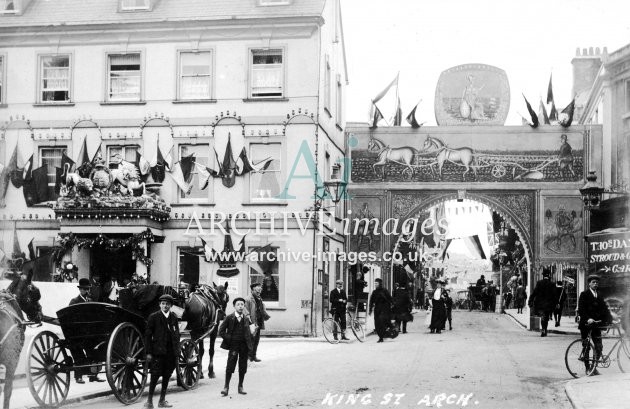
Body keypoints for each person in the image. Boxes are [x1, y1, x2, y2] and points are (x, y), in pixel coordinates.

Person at [144, 294, 180, 409]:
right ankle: (149, 401)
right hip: (158, 352)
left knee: (167, 375)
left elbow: (177, 335)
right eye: (163, 304)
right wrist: (149, 352)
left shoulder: (173, 318)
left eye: (167, 304)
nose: (165, 306)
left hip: (170, 352)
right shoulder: (153, 317)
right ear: (160, 305)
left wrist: (177, 352)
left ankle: (162, 400)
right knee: (154, 376)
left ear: (171, 306)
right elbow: (148, 336)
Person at [68, 278, 105, 384]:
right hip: (78, 333)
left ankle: (93, 375)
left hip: (89, 333)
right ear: (80, 290)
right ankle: (78, 376)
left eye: (87, 289)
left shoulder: (91, 301)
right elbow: (70, 317)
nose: (86, 291)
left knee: (95, 351)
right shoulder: (74, 301)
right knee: (78, 354)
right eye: (84, 289)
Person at [578, 274, 613, 375]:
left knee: (599, 346)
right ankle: (587, 368)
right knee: (586, 347)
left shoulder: (599, 295)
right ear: (589, 283)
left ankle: (594, 367)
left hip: (596, 325)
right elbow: (581, 309)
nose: (595, 284)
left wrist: (610, 319)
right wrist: (587, 318)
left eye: (597, 282)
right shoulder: (584, 294)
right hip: (586, 325)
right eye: (593, 282)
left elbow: (604, 309)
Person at [219, 297, 254, 396]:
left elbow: (251, 334)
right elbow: (220, 331)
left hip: (244, 346)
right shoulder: (229, 318)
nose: (240, 306)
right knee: (230, 366)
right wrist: (229, 339)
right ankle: (226, 387)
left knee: (243, 366)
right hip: (233, 346)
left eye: (242, 304)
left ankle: (240, 386)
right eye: (238, 304)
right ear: (234, 306)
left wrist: (251, 347)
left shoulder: (247, 319)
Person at [244, 282, 270, 362]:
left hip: (258, 322)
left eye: (259, 291)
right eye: (257, 291)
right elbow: (245, 311)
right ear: (252, 290)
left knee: (256, 340)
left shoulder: (259, 298)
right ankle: (248, 357)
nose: (259, 293)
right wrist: (249, 322)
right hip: (251, 323)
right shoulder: (247, 299)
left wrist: (265, 313)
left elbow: (261, 308)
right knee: (250, 340)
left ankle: (254, 356)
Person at [528, 270, 557, 336]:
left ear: (543, 276)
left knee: (542, 317)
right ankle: (544, 329)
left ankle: (543, 329)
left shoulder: (539, 283)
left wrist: (530, 300)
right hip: (548, 304)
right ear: (549, 275)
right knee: (546, 317)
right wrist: (556, 303)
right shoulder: (552, 284)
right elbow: (555, 295)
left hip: (540, 304)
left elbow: (534, 292)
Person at [368, 278, 393, 342]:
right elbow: (371, 301)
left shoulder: (384, 291)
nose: (375, 284)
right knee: (377, 323)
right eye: (375, 283)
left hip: (385, 309)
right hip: (377, 309)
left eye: (376, 283)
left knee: (382, 322)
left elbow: (390, 299)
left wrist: (392, 305)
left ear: (380, 284)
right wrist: (370, 310)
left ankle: (382, 337)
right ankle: (380, 336)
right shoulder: (374, 292)